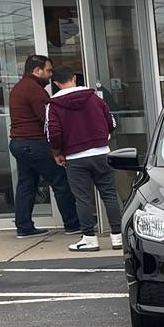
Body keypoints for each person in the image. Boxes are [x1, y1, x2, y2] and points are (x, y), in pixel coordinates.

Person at [45, 69, 122, 253]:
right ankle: (117, 237)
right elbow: (111, 123)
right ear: (74, 78)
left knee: (83, 199)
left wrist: (57, 152)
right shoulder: (94, 98)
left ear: (55, 84)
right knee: (110, 195)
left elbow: (53, 133)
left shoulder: (53, 105)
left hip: (75, 157)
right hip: (102, 153)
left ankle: (89, 238)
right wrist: (103, 139)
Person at [6, 55, 81, 239]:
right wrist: (59, 147)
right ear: (36, 70)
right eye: (48, 71)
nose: (50, 75)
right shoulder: (35, 91)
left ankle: (24, 226)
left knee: (27, 184)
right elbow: (47, 120)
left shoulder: (19, 87)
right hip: (34, 143)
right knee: (60, 181)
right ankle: (72, 224)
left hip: (19, 143)